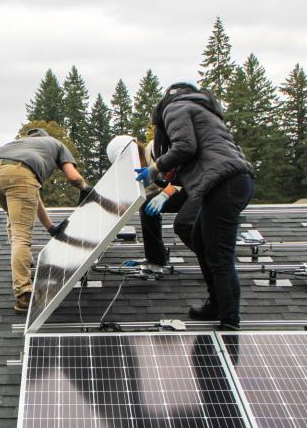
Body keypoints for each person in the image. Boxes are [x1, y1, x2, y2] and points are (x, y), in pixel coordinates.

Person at [136, 80, 254, 331]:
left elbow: (184, 148)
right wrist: (161, 181)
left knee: (219, 256)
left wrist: (155, 167)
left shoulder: (174, 109)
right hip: (230, 183)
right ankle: (216, 304)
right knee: (201, 240)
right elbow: (190, 164)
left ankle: (229, 321)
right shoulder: (202, 111)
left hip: (225, 185)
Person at [0, 128, 91, 313]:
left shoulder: (18, 145)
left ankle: (27, 262)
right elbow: (73, 177)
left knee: (15, 221)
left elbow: (32, 196)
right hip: (18, 175)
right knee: (21, 236)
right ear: (46, 138)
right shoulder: (55, 144)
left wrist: (51, 228)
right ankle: (23, 294)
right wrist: (85, 188)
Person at [107, 135, 200, 273]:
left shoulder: (156, 149)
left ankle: (212, 255)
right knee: (146, 205)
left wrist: (164, 194)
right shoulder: (142, 171)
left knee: (183, 225)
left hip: (197, 186)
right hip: (182, 191)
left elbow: (183, 175)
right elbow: (145, 194)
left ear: (135, 152)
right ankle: (155, 258)